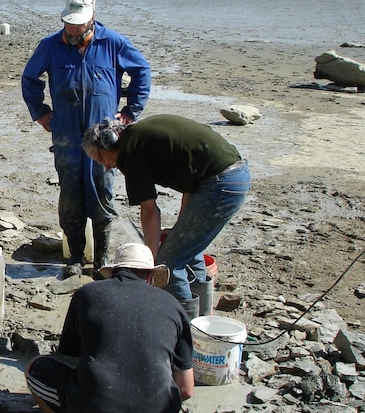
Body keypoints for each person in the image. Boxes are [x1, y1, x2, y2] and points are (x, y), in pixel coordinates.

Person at [21, 0, 151, 278]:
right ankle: (75, 258)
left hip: (103, 138)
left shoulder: (113, 43)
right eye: (69, 23)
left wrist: (130, 112)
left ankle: (102, 258)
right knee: (70, 197)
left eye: (78, 24)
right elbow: (30, 78)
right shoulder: (50, 46)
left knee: (103, 194)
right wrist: (40, 111)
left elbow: (142, 71)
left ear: (92, 19)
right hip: (66, 136)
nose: (73, 29)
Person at [25, 242, 194, 413]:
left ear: (114, 271)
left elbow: (69, 355)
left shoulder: (87, 294)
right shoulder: (175, 306)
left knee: (34, 368)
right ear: (150, 276)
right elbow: (186, 389)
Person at [81, 114, 251, 318]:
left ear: (110, 141)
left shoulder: (130, 153)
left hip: (220, 184)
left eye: (101, 159)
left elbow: (149, 211)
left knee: (169, 261)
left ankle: (185, 332)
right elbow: (190, 185)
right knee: (186, 250)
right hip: (233, 176)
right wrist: (181, 227)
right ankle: (203, 322)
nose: (106, 167)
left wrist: (150, 263)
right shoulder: (140, 136)